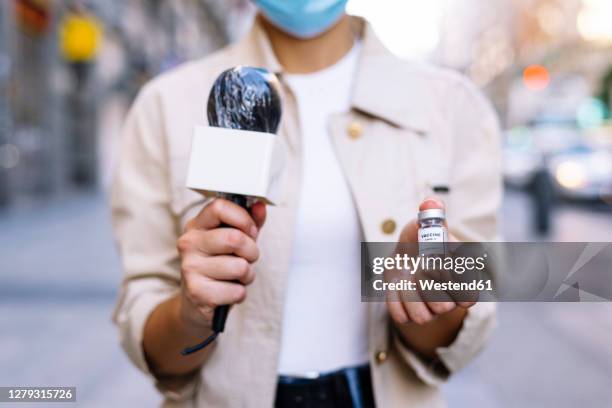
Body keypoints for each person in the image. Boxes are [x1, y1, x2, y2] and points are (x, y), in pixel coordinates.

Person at [112, 1, 501, 407]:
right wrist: (192, 311)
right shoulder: (165, 105)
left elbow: (466, 324)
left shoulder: (454, 107)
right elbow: (153, 345)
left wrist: (431, 296)